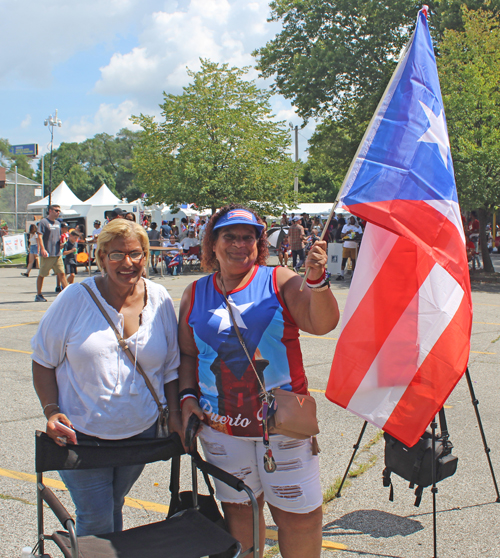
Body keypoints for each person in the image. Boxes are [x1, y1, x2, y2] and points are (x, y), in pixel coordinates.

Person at [178, 204, 339, 558]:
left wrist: (318, 283)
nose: (239, 244)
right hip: (221, 428)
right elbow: (188, 354)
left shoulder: (279, 279)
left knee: (298, 517)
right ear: (213, 244)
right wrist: (187, 398)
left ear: (259, 243)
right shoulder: (194, 292)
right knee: (239, 512)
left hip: (282, 427)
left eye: (248, 237)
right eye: (230, 236)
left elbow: (322, 324)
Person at [31, 218, 182, 536]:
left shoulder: (160, 299)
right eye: (116, 255)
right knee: (96, 517)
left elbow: (170, 368)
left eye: (135, 254)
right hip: (81, 435)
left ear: (146, 256)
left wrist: (176, 415)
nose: (127, 263)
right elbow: (43, 360)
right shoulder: (74, 299)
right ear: (100, 258)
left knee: (114, 502)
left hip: (140, 434)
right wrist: (51, 409)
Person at [35, 205, 68, 302]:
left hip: (57, 253)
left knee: (62, 273)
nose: (58, 212)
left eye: (59, 211)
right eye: (56, 210)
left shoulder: (58, 223)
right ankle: (39, 294)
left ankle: (67, 294)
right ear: (50, 211)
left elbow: (58, 237)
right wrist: (42, 249)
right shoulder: (43, 222)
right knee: (42, 274)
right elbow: (40, 236)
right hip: (48, 254)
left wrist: (61, 244)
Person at [336, 216, 363, 281]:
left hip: (354, 245)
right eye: (351, 219)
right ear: (349, 220)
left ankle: (353, 275)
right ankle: (342, 274)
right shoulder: (345, 226)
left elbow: (361, 235)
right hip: (346, 245)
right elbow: (341, 235)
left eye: (353, 219)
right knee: (344, 260)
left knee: (353, 260)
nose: (352, 220)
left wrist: (357, 234)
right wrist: (346, 233)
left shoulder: (358, 227)